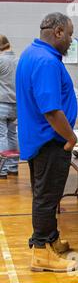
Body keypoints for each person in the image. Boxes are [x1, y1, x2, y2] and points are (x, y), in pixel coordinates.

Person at [16, 12, 78, 272]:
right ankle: (41, 252)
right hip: (50, 141)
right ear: (58, 32)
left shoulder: (31, 53)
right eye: (70, 34)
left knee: (46, 196)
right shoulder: (46, 62)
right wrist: (71, 137)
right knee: (46, 197)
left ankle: (50, 240)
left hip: (39, 139)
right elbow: (51, 110)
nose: (71, 40)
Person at [0, 35, 19, 179]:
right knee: (13, 134)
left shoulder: (1, 60)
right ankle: (13, 167)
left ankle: (2, 169)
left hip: (2, 103)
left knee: (1, 136)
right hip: (16, 105)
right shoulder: (18, 61)